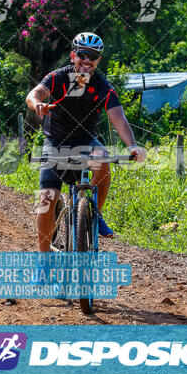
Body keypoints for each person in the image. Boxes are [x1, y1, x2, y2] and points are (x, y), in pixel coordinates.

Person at [26, 32, 146, 251]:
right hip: (56, 142)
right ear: (73, 55)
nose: (87, 59)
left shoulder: (104, 87)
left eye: (93, 55)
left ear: (98, 60)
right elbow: (35, 93)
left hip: (86, 142)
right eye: (83, 54)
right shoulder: (57, 78)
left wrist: (132, 146)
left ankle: (95, 214)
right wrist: (37, 105)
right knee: (45, 200)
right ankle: (43, 263)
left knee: (104, 164)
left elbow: (119, 119)